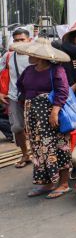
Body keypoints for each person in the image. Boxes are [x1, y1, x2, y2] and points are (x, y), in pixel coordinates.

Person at [16, 38, 73, 199]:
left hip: (51, 115)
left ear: (41, 56)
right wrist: (28, 106)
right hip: (33, 115)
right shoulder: (29, 70)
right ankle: (46, 183)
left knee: (58, 147)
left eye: (33, 53)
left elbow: (63, 91)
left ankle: (63, 183)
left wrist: (54, 111)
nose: (29, 55)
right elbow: (21, 87)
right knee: (38, 148)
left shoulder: (56, 70)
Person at [0, 28, 31, 168]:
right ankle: (25, 154)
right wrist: (1, 91)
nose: (19, 42)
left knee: (37, 128)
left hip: (33, 97)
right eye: (16, 40)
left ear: (29, 40)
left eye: (22, 40)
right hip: (13, 96)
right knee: (17, 127)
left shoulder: (35, 55)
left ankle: (39, 156)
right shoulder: (8, 56)